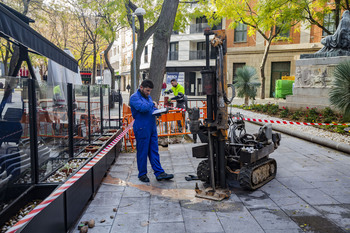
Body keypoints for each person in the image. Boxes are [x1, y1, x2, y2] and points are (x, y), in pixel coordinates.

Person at [129, 79, 174, 182]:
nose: (149, 93)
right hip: (142, 127)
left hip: (151, 127)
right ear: (141, 87)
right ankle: (142, 174)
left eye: (150, 91)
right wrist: (153, 104)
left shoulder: (147, 97)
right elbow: (143, 108)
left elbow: (151, 109)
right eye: (147, 90)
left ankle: (159, 173)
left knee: (154, 150)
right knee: (142, 151)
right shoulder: (134, 97)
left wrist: (159, 112)